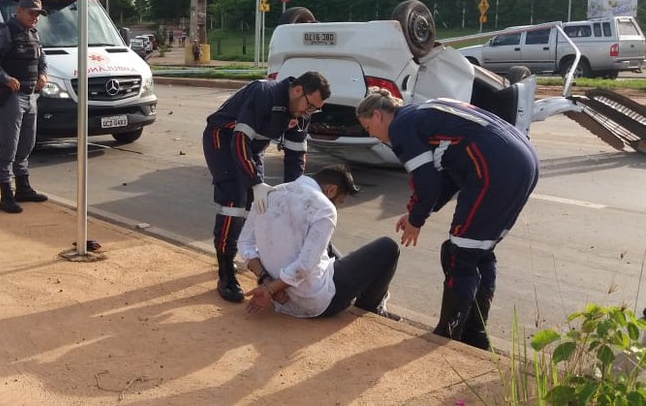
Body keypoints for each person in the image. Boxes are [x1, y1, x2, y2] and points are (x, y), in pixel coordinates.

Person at [356, 88, 540, 350]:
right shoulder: (423, 112)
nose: (371, 135)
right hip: (521, 160)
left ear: (378, 115)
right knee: (479, 252)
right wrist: (416, 213)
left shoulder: (401, 127)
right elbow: (449, 176)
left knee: (459, 256)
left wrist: (417, 222)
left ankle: (449, 334)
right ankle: (474, 335)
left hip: (497, 167)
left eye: (367, 127)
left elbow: (427, 182)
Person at [202, 71, 331, 303]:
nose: (308, 113)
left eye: (314, 110)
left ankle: (254, 260)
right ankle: (225, 271)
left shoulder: (302, 112)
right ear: (297, 90)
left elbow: (296, 156)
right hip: (223, 138)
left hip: (253, 146)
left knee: (259, 206)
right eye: (309, 106)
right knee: (234, 203)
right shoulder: (264, 93)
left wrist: (295, 194)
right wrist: (254, 182)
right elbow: (239, 140)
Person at [239, 165, 401, 320]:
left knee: (325, 244)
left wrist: (268, 283)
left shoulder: (268, 194)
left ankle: (361, 289)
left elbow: (245, 244)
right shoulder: (324, 209)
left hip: (279, 297)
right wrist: (269, 289)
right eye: (339, 201)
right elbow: (303, 267)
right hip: (316, 303)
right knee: (388, 248)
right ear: (331, 190)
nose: (336, 206)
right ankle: (371, 306)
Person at [0, 0, 50, 214]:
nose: (35, 18)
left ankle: (23, 187)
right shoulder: (3, 32)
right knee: (8, 147)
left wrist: (43, 74)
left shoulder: (33, 33)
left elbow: (42, 57)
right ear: (19, 11)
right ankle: (5, 194)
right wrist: (3, 77)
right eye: (32, 13)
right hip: (11, 97)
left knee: (27, 144)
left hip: (31, 96)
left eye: (38, 15)